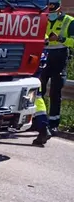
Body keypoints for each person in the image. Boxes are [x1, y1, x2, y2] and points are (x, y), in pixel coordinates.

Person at [41, 0, 74, 134]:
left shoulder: (69, 21)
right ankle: (39, 120)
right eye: (49, 12)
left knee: (55, 91)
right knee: (39, 90)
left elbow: (73, 41)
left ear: (59, 10)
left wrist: (60, 39)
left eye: (53, 12)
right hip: (44, 56)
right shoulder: (43, 19)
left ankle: (54, 123)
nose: (51, 15)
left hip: (60, 57)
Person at [32, 50, 52, 146]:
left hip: (26, 66)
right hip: (37, 71)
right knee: (37, 98)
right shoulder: (45, 39)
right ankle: (44, 128)